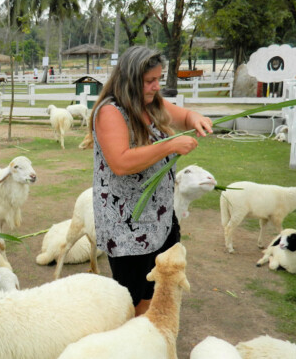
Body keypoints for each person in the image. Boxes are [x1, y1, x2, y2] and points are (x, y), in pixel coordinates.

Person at [82, 46, 212, 317]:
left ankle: (146, 333)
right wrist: (170, 145)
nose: (156, 86)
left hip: (158, 217)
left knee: (155, 289)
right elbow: (121, 162)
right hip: (127, 223)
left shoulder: (150, 103)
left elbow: (183, 116)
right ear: (130, 79)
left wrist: (194, 117)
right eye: (150, 81)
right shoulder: (111, 112)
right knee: (131, 296)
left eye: (159, 79)